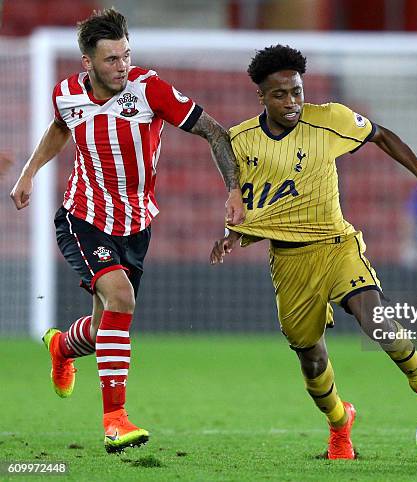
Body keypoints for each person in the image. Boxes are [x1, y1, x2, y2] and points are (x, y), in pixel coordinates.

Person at [210, 45, 417, 460]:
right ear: (261, 96)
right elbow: (259, 207)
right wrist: (232, 235)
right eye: (280, 94)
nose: (292, 101)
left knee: (374, 315)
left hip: (337, 245)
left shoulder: (329, 119)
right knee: (312, 361)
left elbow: (381, 134)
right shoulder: (242, 142)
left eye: (297, 91)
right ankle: (339, 423)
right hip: (290, 262)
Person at [9, 8, 244, 454]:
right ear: (88, 63)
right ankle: (115, 420)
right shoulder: (65, 95)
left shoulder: (149, 89)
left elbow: (215, 132)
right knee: (121, 299)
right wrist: (29, 172)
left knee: (102, 334)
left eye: (126, 56)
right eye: (112, 59)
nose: (122, 66)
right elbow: (61, 127)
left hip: (136, 225)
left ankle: (61, 347)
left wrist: (233, 190)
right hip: (84, 217)